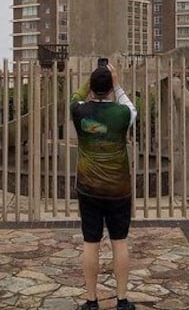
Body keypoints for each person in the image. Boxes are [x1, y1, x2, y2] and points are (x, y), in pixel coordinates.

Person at [71, 62, 137, 310]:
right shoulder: (122, 114)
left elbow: (75, 97)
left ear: (91, 87)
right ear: (110, 87)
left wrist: (90, 80)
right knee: (119, 242)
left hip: (89, 189)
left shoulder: (79, 112)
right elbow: (129, 105)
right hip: (119, 190)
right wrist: (116, 82)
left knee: (91, 243)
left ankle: (91, 301)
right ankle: (121, 301)